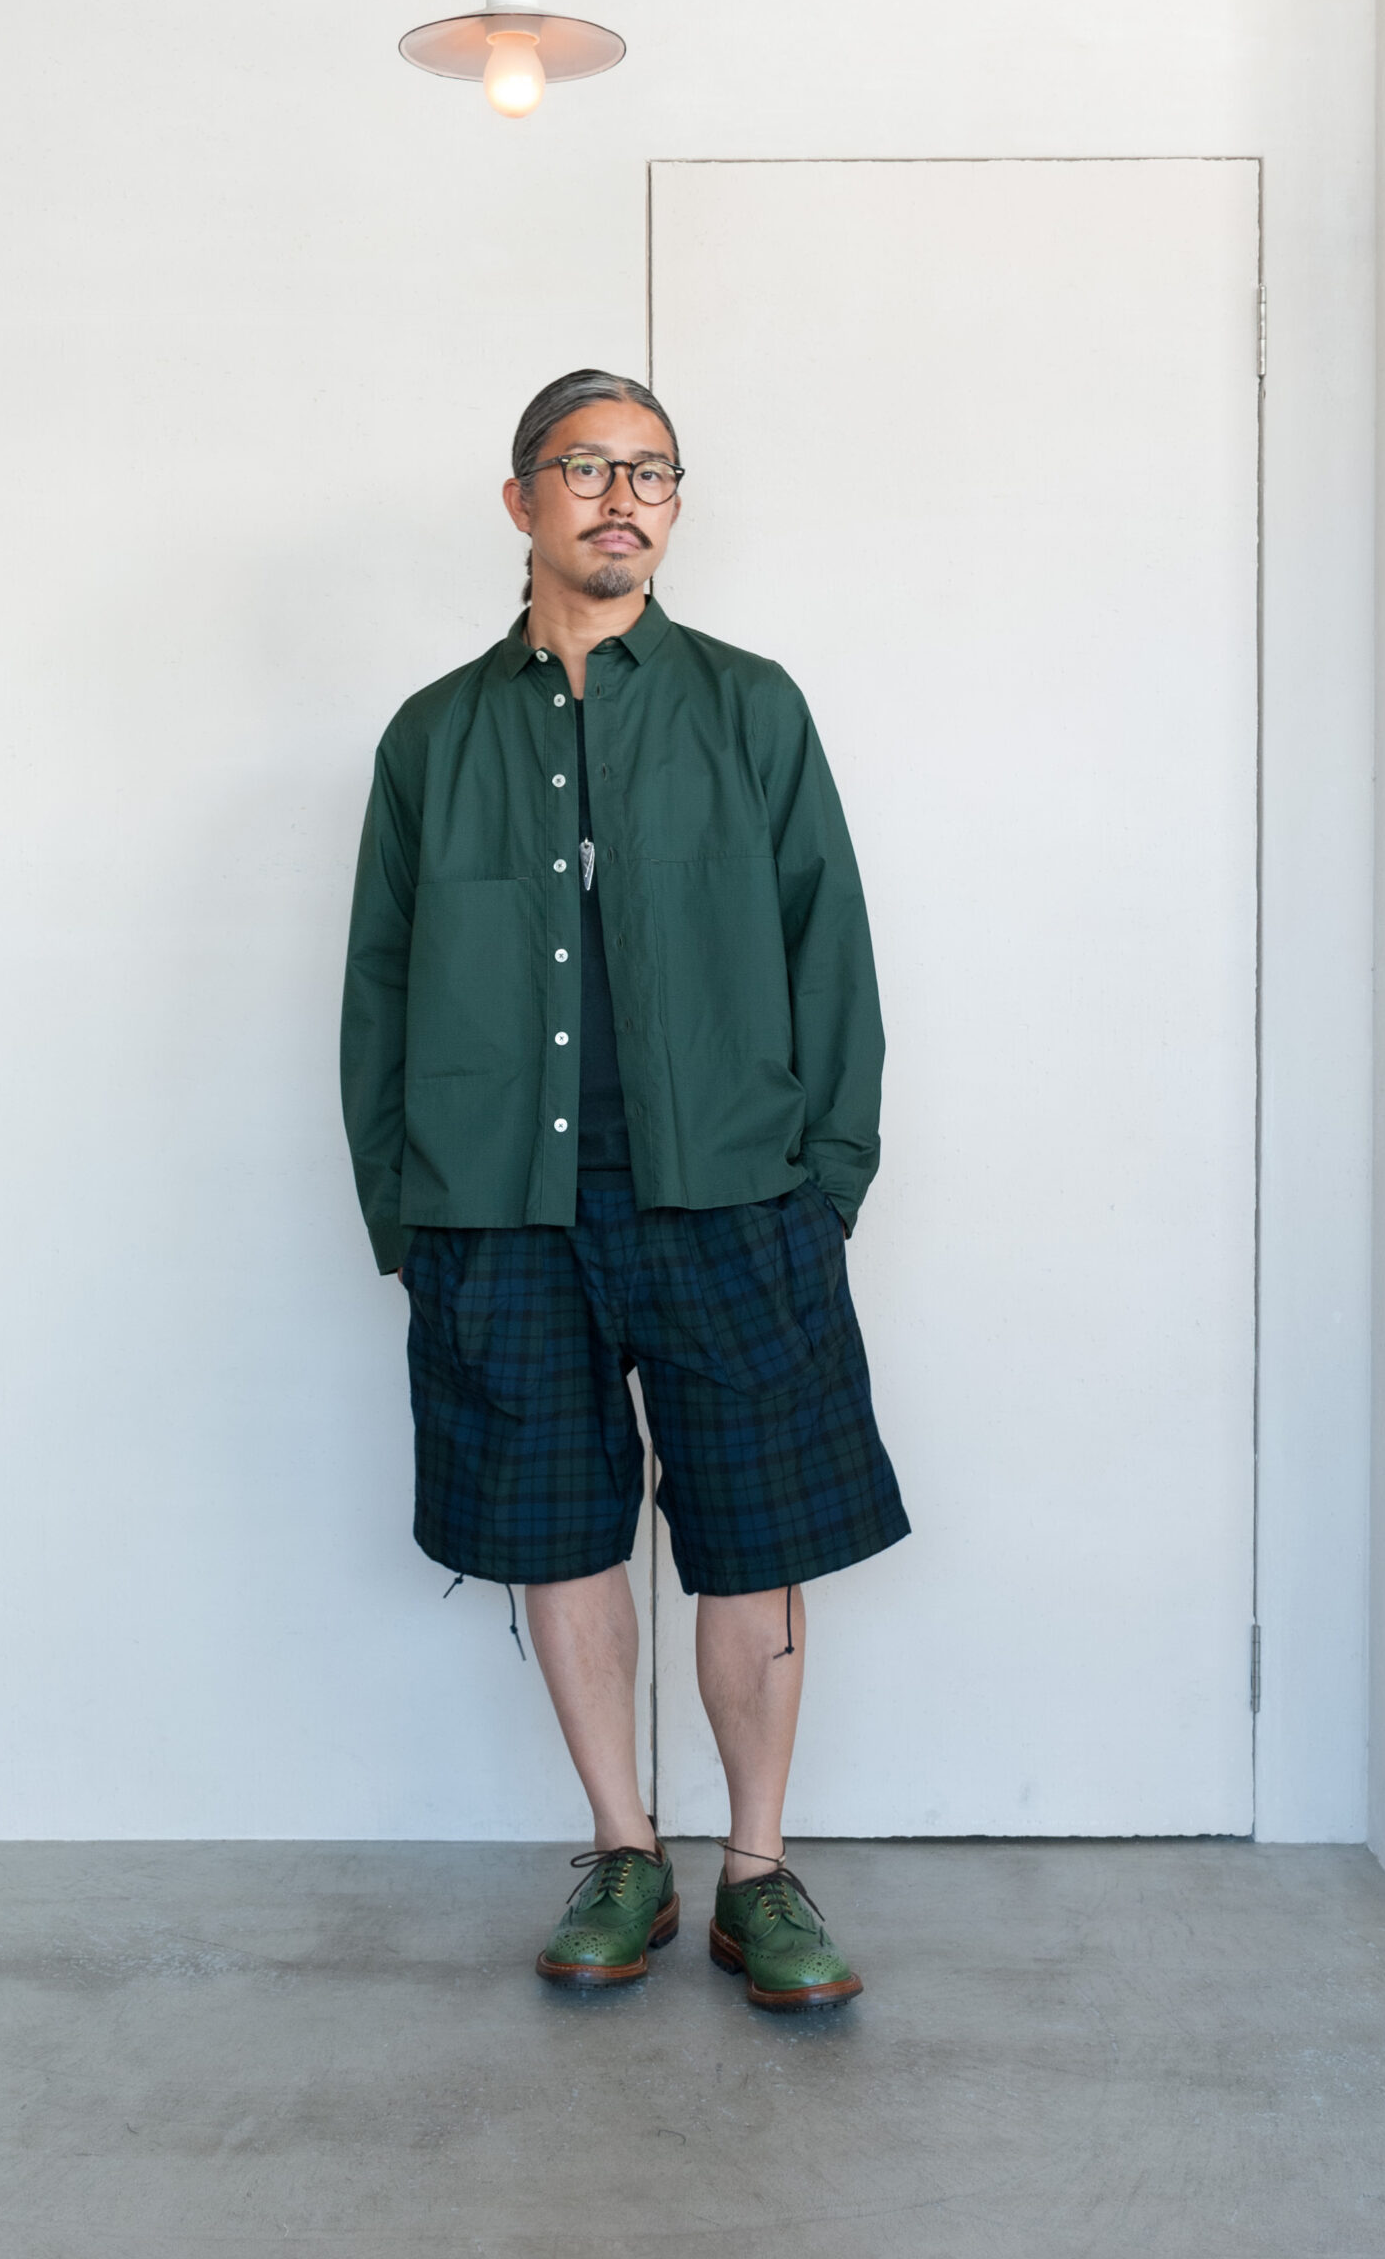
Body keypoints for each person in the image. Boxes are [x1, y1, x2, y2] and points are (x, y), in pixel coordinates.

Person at [341, 369, 908, 2011]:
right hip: (496, 1208)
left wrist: (825, 1182)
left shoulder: (750, 708)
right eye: (585, 468)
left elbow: (829, 947)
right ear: (519, 500)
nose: (621, 499)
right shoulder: (433, 734)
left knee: (756, 1536)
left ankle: (758, 1871)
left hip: (732, 1196)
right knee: (554, 1530)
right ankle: (621, 1849)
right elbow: (379, 982)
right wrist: (403, 1208)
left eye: (650, 472)